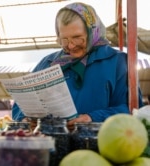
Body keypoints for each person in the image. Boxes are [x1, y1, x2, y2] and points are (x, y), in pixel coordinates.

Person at [12, 2, 143, 130]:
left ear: (93, 31)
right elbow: (19, 106)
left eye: (77, 37)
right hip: (52, 145)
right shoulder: (47, 63)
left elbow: (132, 110)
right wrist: (25, 119)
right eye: (64, 39)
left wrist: (92, 118)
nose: (71, 45)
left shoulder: (117, 62)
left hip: (96, 145)